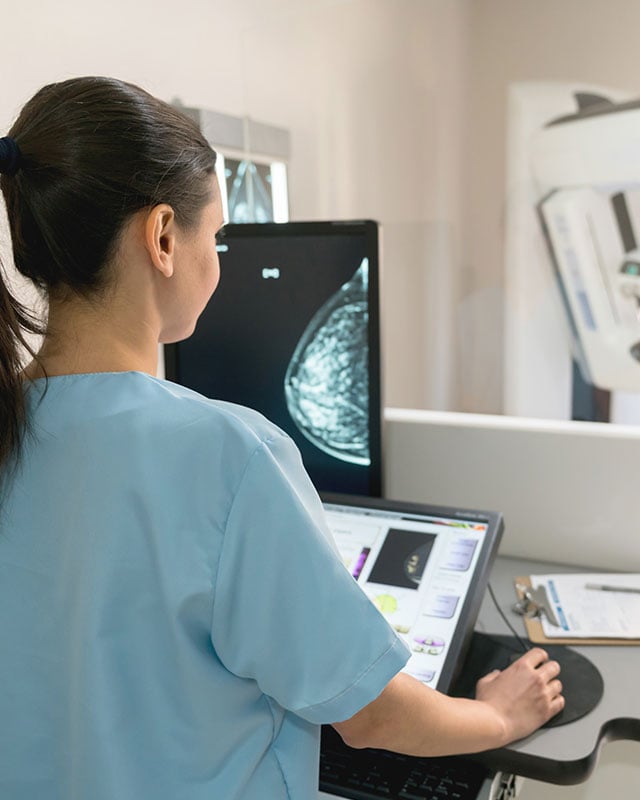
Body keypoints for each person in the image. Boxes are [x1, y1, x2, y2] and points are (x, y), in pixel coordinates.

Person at [0, 77, 564, 799]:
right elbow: (372, 717)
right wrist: (494, 716)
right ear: (164, 237)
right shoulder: (228, 457)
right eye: (219, 236)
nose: (220, 259)